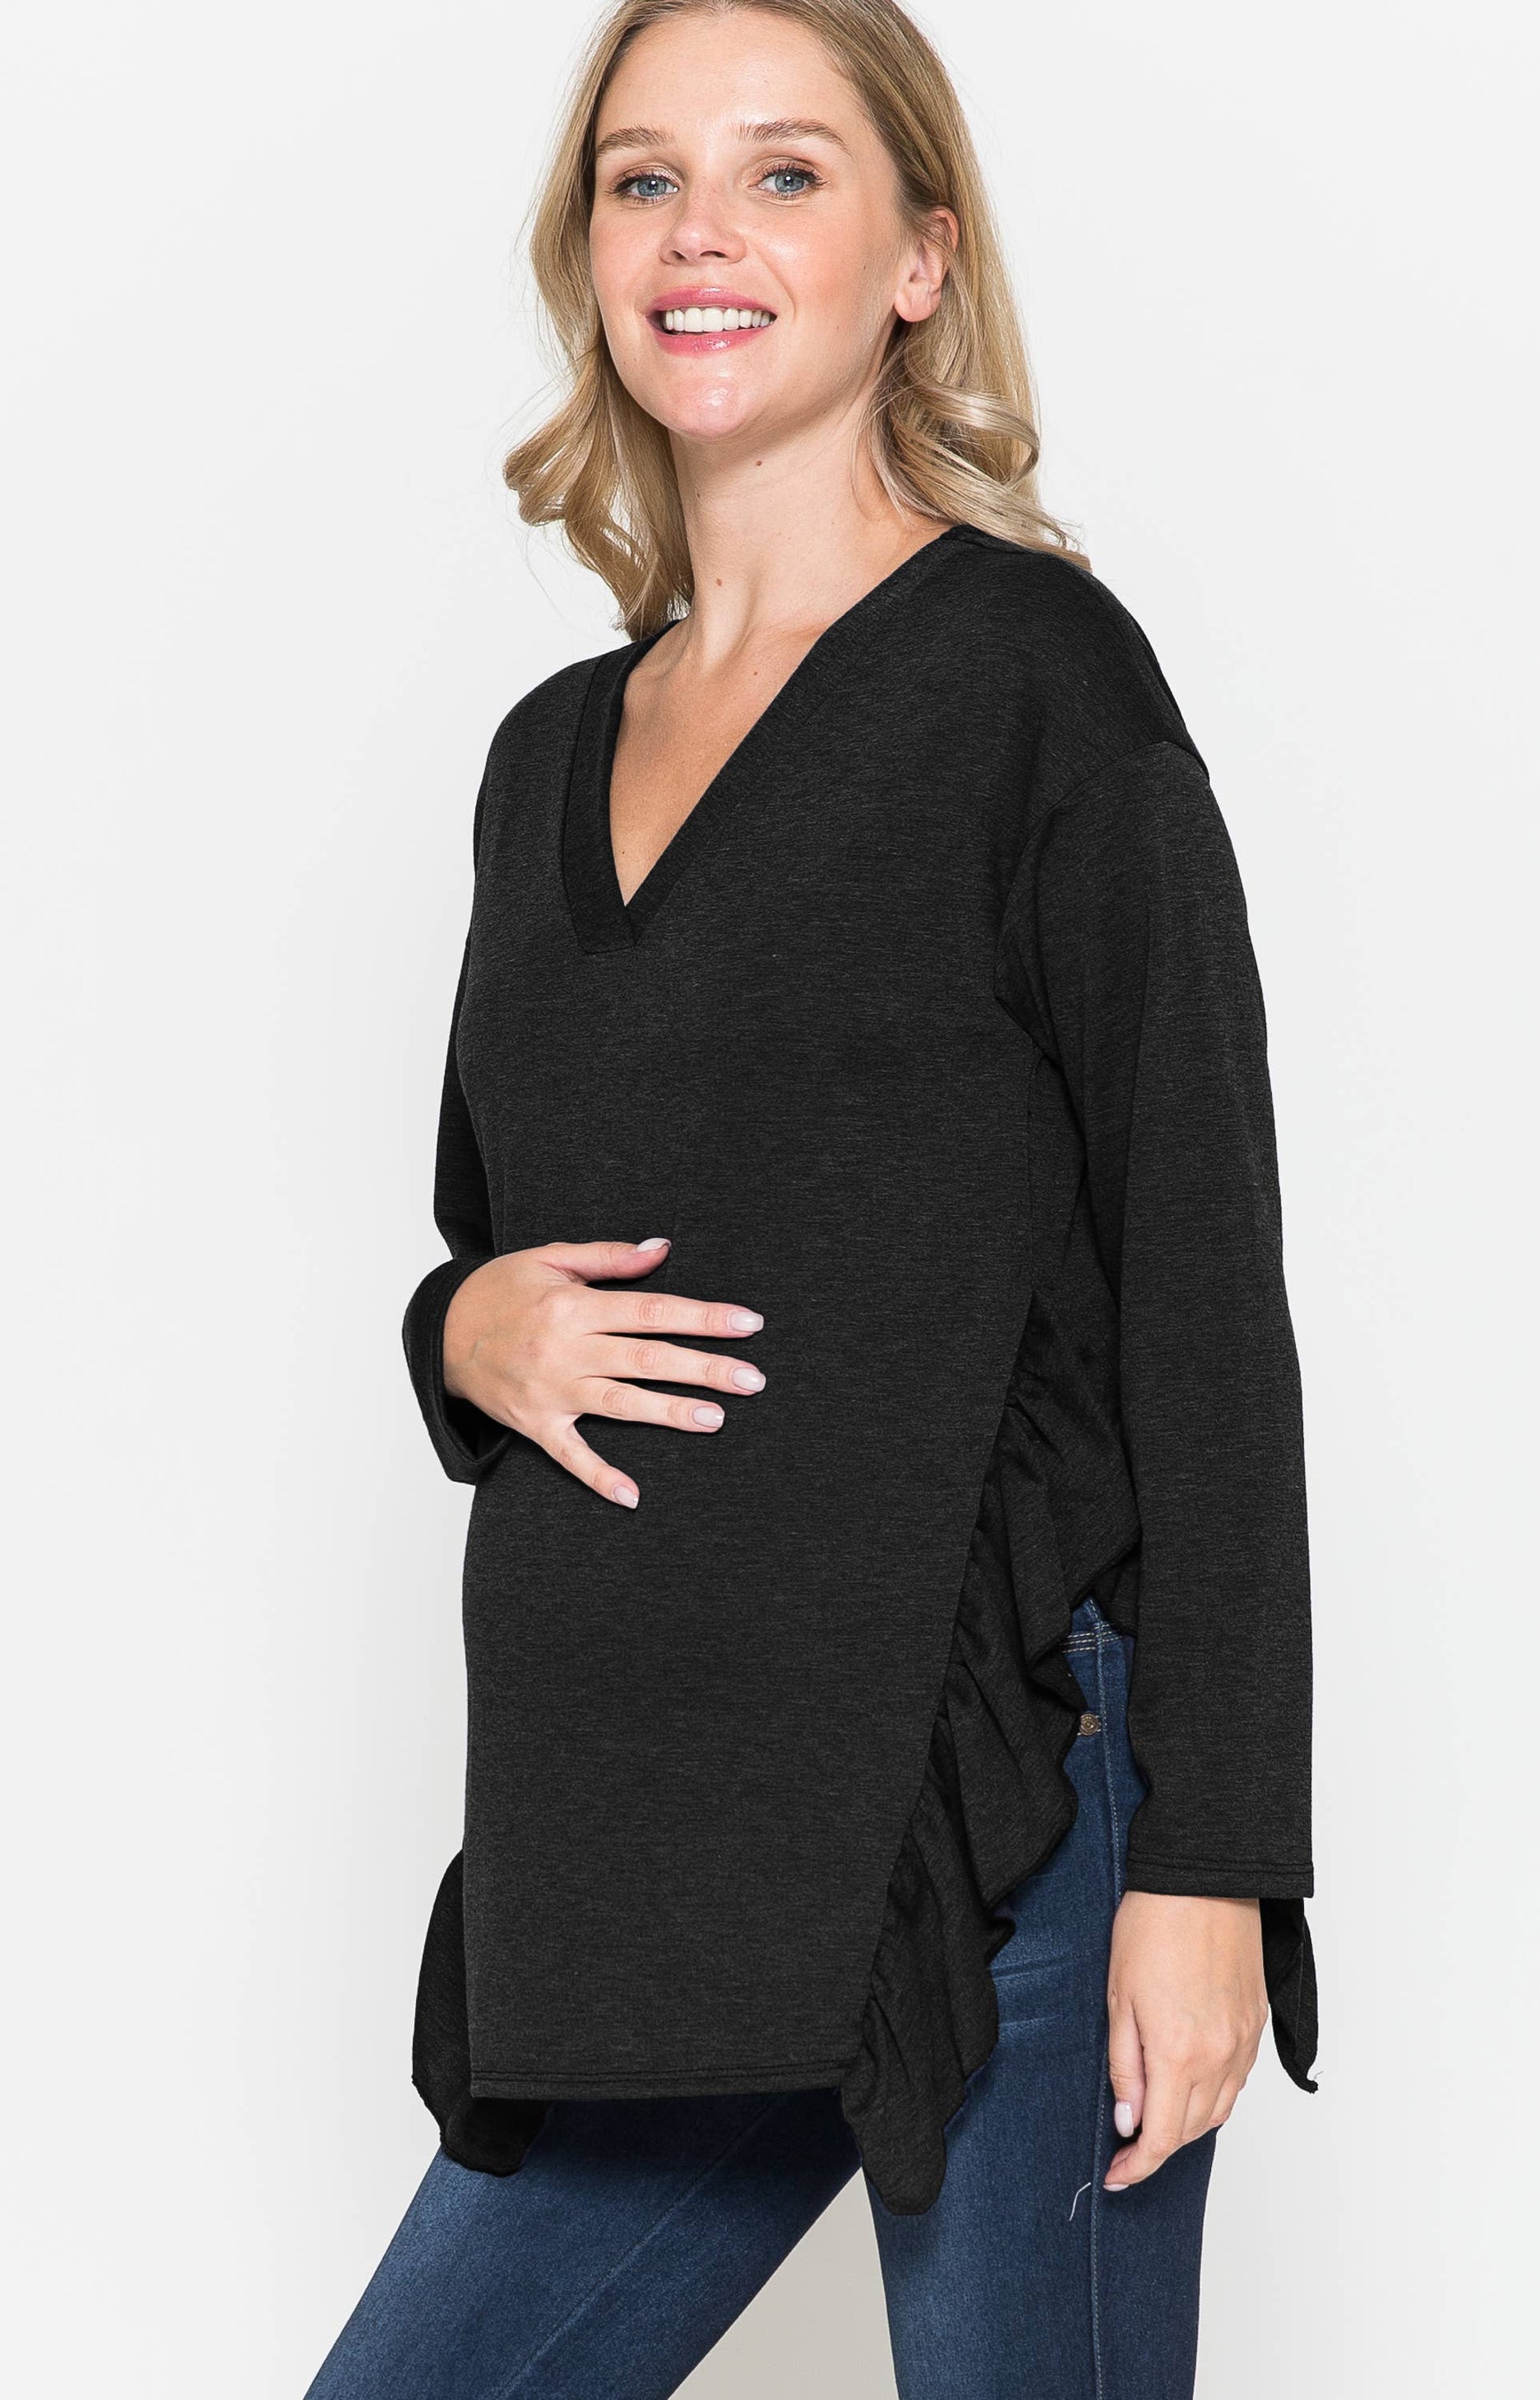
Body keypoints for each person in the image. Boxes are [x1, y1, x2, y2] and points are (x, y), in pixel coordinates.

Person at [305, 3, 1316, 2393]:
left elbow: (1202, 1281)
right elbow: (494, 1234)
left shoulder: (1037, 684)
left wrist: (1213, 1864)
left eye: (782, 174)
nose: (701, 235)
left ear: (917, 260)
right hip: (643, 1838)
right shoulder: (545, 756)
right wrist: (457, 1334)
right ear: (586, 253)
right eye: (642, 179)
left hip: (1001, 1812)